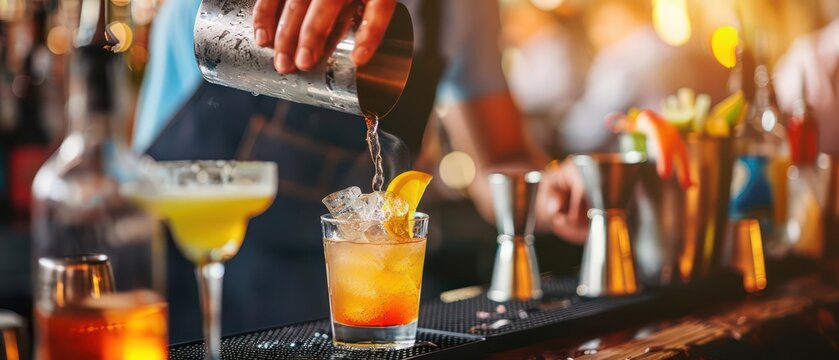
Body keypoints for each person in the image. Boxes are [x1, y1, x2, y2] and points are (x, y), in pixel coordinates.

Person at [136, 0, 588, 342]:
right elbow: (141, 187)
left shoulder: (460, 8)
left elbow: (501, 156)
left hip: (355, 307)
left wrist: (545, 192)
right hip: (198, 291)